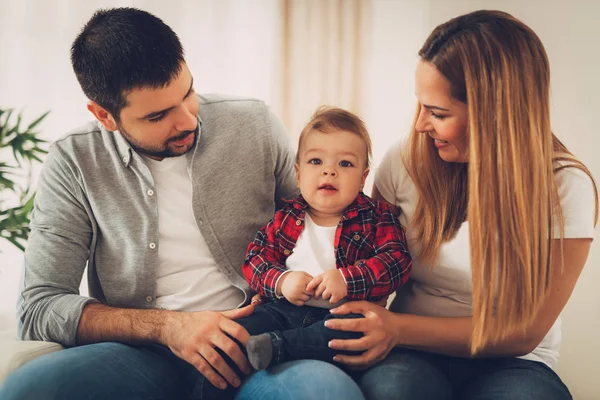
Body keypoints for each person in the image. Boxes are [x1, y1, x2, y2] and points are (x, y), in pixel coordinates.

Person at [0, 7, 365, 400]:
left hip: (261, 342)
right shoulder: (74, 161)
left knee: (325, 393)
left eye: (188, 92)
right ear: (105, 115)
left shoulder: (253, 123)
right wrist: (170, 327)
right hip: (143, 355)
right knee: (29, 388)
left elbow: (327, 219)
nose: (188, 120)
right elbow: (40, 307)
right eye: (158, 115)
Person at [321, 10, 599, 400]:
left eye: (437, 113)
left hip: (516, 361)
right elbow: (368, 266)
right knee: (394, 390)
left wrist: (398, 327)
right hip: (410, 355)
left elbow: (524, 331)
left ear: (493, 114)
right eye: (420, 106)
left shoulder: (566, 185)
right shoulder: (405, 159)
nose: (420, 125)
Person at [239, 107, 412, 370]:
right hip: (284, 310)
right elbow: (255, 259)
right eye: (316, 161)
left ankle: (278, 347)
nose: (329, 171)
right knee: (242, 328)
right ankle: (265, 347)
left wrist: (347, 279)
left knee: (353, 334)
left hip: (342, 314)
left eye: (345, 164)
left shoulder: (377, 218)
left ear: (363, 178)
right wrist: (282, 280)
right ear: (298, 173)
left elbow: (396, 262)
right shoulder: (285, 217)